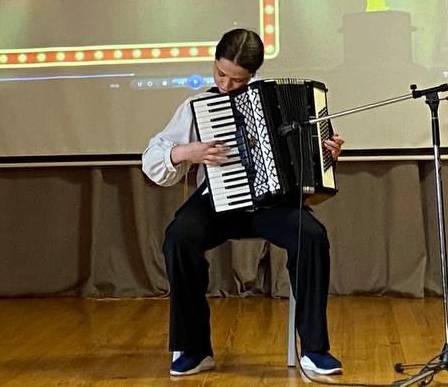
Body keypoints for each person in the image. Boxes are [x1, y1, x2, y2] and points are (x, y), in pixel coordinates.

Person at [142, 27, 345, 378]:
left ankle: (314, 350)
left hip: (271, 205)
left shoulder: (282, 101)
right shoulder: (197, 106)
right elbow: (152, 160)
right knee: (179, 238)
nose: (225, 85)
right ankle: (194, 348)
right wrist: (185, 152)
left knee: (312, 236)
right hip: (216, 202)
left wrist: (328, 155)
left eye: (237, 80)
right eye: (220, 73)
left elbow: (311, 169)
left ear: (253, 74)